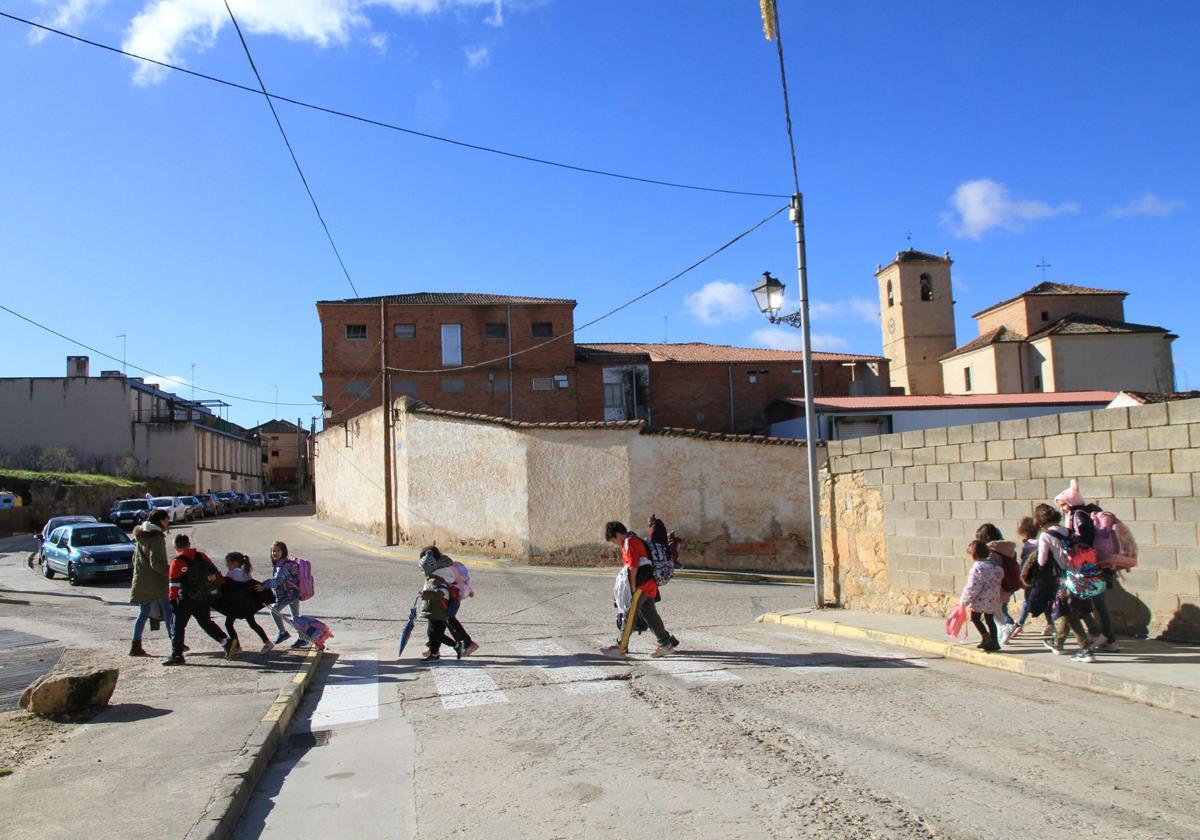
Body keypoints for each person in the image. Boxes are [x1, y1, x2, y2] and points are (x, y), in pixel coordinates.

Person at [1055, 479, 1119, 653]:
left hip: (1088, 564)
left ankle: (1102, 639)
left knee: (1089, 602)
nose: (1062, 509)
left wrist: (1067, 539)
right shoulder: (1080, 515)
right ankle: (1101, 637)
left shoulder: (1079, 516)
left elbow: (1085, 537)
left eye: (1063, 505)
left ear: (1070, 503)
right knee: (1094, 602)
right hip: (1091, 564)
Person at [601, 521, 678, 659]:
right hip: (649, 584)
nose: (614, 543)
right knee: (650, 616)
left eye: (613, 540)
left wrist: (631, 587)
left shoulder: (629, 542)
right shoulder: (634, 539)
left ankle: (621, 647)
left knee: (629, 613)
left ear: (618, 534)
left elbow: (633, 566)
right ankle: (666, 645)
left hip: (641, 585)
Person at [1033, 502, 1094, 662]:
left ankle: (1086, 649)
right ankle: (1059, 643)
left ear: (1039, 521)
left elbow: (1041, 561)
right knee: (1071, 609)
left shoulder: (1045, 536)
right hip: (1082, 574)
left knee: (1068, 610)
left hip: (1066, 577)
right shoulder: (1068, 531)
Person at [164, 534, 235, 666]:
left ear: (175, 547)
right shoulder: (201, 556)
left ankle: (177, 655)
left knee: (178, 625)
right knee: (205, 622)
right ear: (189, 544)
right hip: (204, 596)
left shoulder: (177, 561)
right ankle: (226, 641)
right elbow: (215, 572)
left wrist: (172, 600)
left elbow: (174, 584)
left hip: (186, 598)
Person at [129, 509, 174, 657]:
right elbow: (157, 563)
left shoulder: (141, 534)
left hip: (141, 579)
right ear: (161, 520)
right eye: (167, 519)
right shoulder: (156, 538)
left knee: (143, 612)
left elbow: (134, 559)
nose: (168, 522)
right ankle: (175, 641)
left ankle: (135, 645)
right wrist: (172, 572)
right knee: (168, 610)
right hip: (156, 581)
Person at [1004, 516, 1051, 643]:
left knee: (1026, 602)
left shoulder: (1028, 546)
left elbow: (1026, 563)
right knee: (1044, 602)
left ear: (1023, 533)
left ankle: (1019, 624)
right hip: (1042, 578)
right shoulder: (1041, 542)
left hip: (1031, 578)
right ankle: (1050, 624)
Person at [219, 552, 272, 654]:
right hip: (247, 604)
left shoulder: (231, 574)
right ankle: (267, 641)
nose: (226, 565)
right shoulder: (246, 573)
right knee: (252, 624)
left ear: (234, 563)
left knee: (228, 624)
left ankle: (237, 647)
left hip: (236, 606)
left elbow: (229, 590)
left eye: (228, 563)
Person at [960, 539, 1003, 652]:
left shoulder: (978, 568)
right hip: (993, 598)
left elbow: (973, 586)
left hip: (981, 598)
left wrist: (964, 600)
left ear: (974, 554)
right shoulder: (994, 566)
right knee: (990, 619)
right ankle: (994, 641)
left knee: (975, 618)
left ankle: (986, 637)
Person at [263, 541, 306, 649]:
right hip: (294, 592)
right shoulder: (285, 563)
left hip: (287, 594)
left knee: (274, 611)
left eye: (278, 551)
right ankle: (302, 638)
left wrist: (263, 585)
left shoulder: (283, 566)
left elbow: (278, 581)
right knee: (296, 617)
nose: (275, 553)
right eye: (273, 551)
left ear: (283, 551)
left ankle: (283, 633)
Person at [977, 524, 1019, 634]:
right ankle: (1007, 627)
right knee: (1001, 607)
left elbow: (989, 570)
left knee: (996, 611)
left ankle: (1006, 630)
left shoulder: (990, 552)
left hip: (997, 585)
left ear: (986, 538)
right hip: (1009, 583)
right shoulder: (1009, 549)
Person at [418, 549, 459, 662]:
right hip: (434, 610)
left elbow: (441, 593)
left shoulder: (435, 579)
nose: (422, 571)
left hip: (438, 611)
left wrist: (425, 595)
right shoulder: (431, 578)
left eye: (422, 569)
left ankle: (456, 646)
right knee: (433, 634)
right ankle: (434, 654)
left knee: (434, 634)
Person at [445, 553, 479, 658]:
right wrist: (469, 591)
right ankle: (433, 647)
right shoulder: (454, 566)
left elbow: (458, 581)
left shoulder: (447, 568)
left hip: (453, 598)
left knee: (448, 619)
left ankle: (468, 643)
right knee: (444, 620)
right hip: (453, 597)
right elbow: (463, 581)